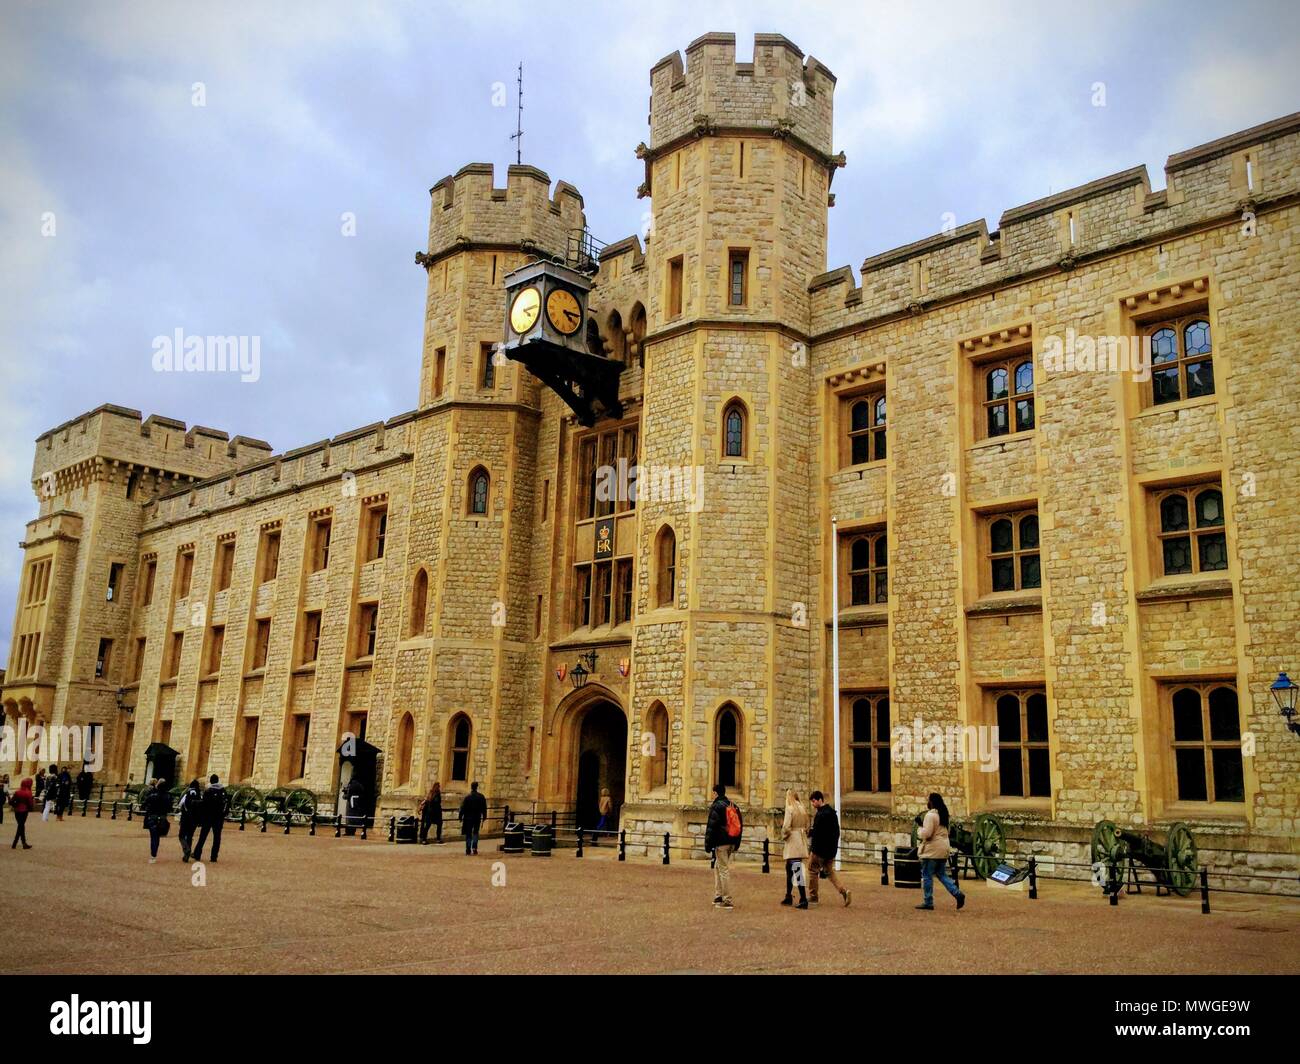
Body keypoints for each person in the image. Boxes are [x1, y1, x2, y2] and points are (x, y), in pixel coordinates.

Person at [916, 792, 965, 911]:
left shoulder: (930, 815)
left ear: (932, 802)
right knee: (941, 874)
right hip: (943, 849)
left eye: (929, 800)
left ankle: (928, 902)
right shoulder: (943, 815)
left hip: (932, 850)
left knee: (927, 875)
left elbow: (927, 834)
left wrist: (919, 828)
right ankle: (957, 893)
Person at [807, 791, 851, 907]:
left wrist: (809, 836)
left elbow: (817, 834)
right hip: (830, 851)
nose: (812, 804)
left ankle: (813, 897)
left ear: (820, 800)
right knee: (829, 872)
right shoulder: (832, 814)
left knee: (812, 869)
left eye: (814, 801)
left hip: (819, 850)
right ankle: (844, 891)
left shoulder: (820, 815)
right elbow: (836, 832)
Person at [704, 783, 742, 910]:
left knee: (723, 869)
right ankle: (718, 895)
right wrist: (736, 843)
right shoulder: (733, 805)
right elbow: (739, 825)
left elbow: (711, 827)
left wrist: (708, 845)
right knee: (718, 867)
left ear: (715, 793)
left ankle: (727, 899)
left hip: (721, 843)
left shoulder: (716, 806)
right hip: (731, 841)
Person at [780, 789, 810, 909]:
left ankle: (803, 899)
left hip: (793, 839)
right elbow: (808, 826)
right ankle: (788, 895)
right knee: (789, 868)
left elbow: (786, 827)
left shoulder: (790, 808)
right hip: (801, 838)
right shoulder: (802, 808)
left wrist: (784, 836)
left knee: (796, 870)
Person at [193, 775, 227, 862]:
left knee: (203, 836)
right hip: (219, 818)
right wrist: (223, 815)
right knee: (217, 837)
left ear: (211, 781)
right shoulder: (223, 791)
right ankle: (214, 857)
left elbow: (204, 805)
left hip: (208, 817)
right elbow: (226, 804)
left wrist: (200, 818)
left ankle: (197, 854)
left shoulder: (208, 791)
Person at [142, 778, 171, 863]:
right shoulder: (167, 796)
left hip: (153, 818)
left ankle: (153, 855)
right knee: (157, 837)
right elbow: (170, 808)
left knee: (153, 837)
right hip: (162, 819)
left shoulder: (153, 796)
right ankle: (154, 854)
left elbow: (144, 804)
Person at [177, 778, 203, 861]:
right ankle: (187, 855)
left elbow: (180, 804)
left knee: (181, 835)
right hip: (195, 819)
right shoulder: (199, 794)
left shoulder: (187, 793)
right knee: (190, 836)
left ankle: (186, 849)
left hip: (185, 818)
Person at [457, 781, 486, 855]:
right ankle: (474, 847)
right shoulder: (481, 797)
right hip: (477, 817)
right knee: (475, 832)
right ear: (477, 787)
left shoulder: (467, 797)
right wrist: (484, 816)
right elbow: (484, 808)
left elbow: (463, 808)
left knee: (468, 833)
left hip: (468, 818)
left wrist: (460, 816)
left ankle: (468, 848)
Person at [10, 777, 35, 849]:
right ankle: (16, 843)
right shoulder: (28, 792)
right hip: (24, 811)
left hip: (17, 810)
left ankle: (22, 843)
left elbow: (12, 801)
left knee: (21, 826)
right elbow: (30, 804)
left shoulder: (17, 791)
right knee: (21, 826)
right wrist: (31, 808)